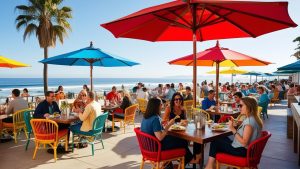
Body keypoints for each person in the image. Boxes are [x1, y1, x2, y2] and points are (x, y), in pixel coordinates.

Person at [205, 97, 263, 169]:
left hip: (242, 151)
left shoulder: (249, 123)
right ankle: (212, 164)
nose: (239, 107)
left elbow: (244, 142)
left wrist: (233, 129)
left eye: (241, 105)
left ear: (248, 107)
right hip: (248, 150)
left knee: (215, 142)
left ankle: (209, 166)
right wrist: (237, 122)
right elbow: (247, 127)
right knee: (219, 138)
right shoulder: (254, 119)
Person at [141, 98, 198, 168]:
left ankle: (169, 164)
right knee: (183, 141)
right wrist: (168, 125)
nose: (162, 105)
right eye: (160, 104)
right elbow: (160, 137)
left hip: (148, 147)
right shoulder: (155, 118)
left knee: (178, 140)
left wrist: (161, 124)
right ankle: (189, 160)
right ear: (156, 106)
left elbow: (152, 128)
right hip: (157, 148)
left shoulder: (145, 117)